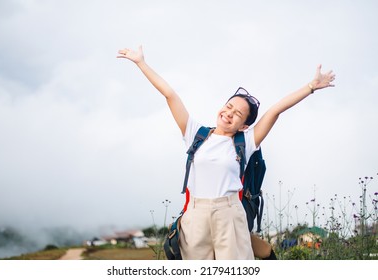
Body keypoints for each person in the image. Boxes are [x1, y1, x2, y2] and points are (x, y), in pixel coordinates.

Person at [116, 46, 335, 260]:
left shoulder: (246, 142)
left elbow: (275, 110)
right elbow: (169, 94)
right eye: (229, 106)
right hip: (195, 216)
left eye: (238, 114)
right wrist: (141, 63)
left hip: (229, 214)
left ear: (243, 126)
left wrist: (311, 87)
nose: (229, 113)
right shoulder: (195, 134)